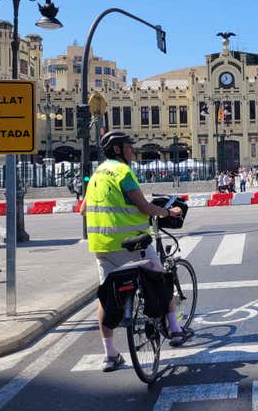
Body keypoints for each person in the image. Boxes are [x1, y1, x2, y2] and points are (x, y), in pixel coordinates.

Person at [80, 130, 188, 373]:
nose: (132, 150)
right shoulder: (122, 172)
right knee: (161, 278)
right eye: (129, 146)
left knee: (107, 297)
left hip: (102, 247)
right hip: (131, 244)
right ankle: (175, 329)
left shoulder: (97, 174)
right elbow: (144, 206)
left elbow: (83, 209)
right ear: (118, 149)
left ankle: (110, 355)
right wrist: (168, 213)